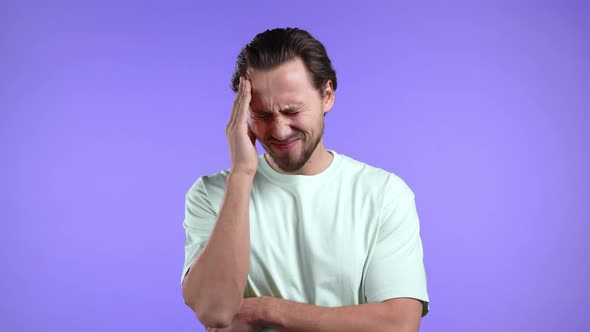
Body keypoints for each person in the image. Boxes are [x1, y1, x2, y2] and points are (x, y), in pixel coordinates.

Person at [181, 27, 430, 332]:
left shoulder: (384, 194)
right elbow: (216, 311)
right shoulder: (211, 194)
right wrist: (242, 174)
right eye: (261, 114)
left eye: (291, 110)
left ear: (327, 96)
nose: (280, 130)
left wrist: (266, 309)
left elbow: (399, 324)